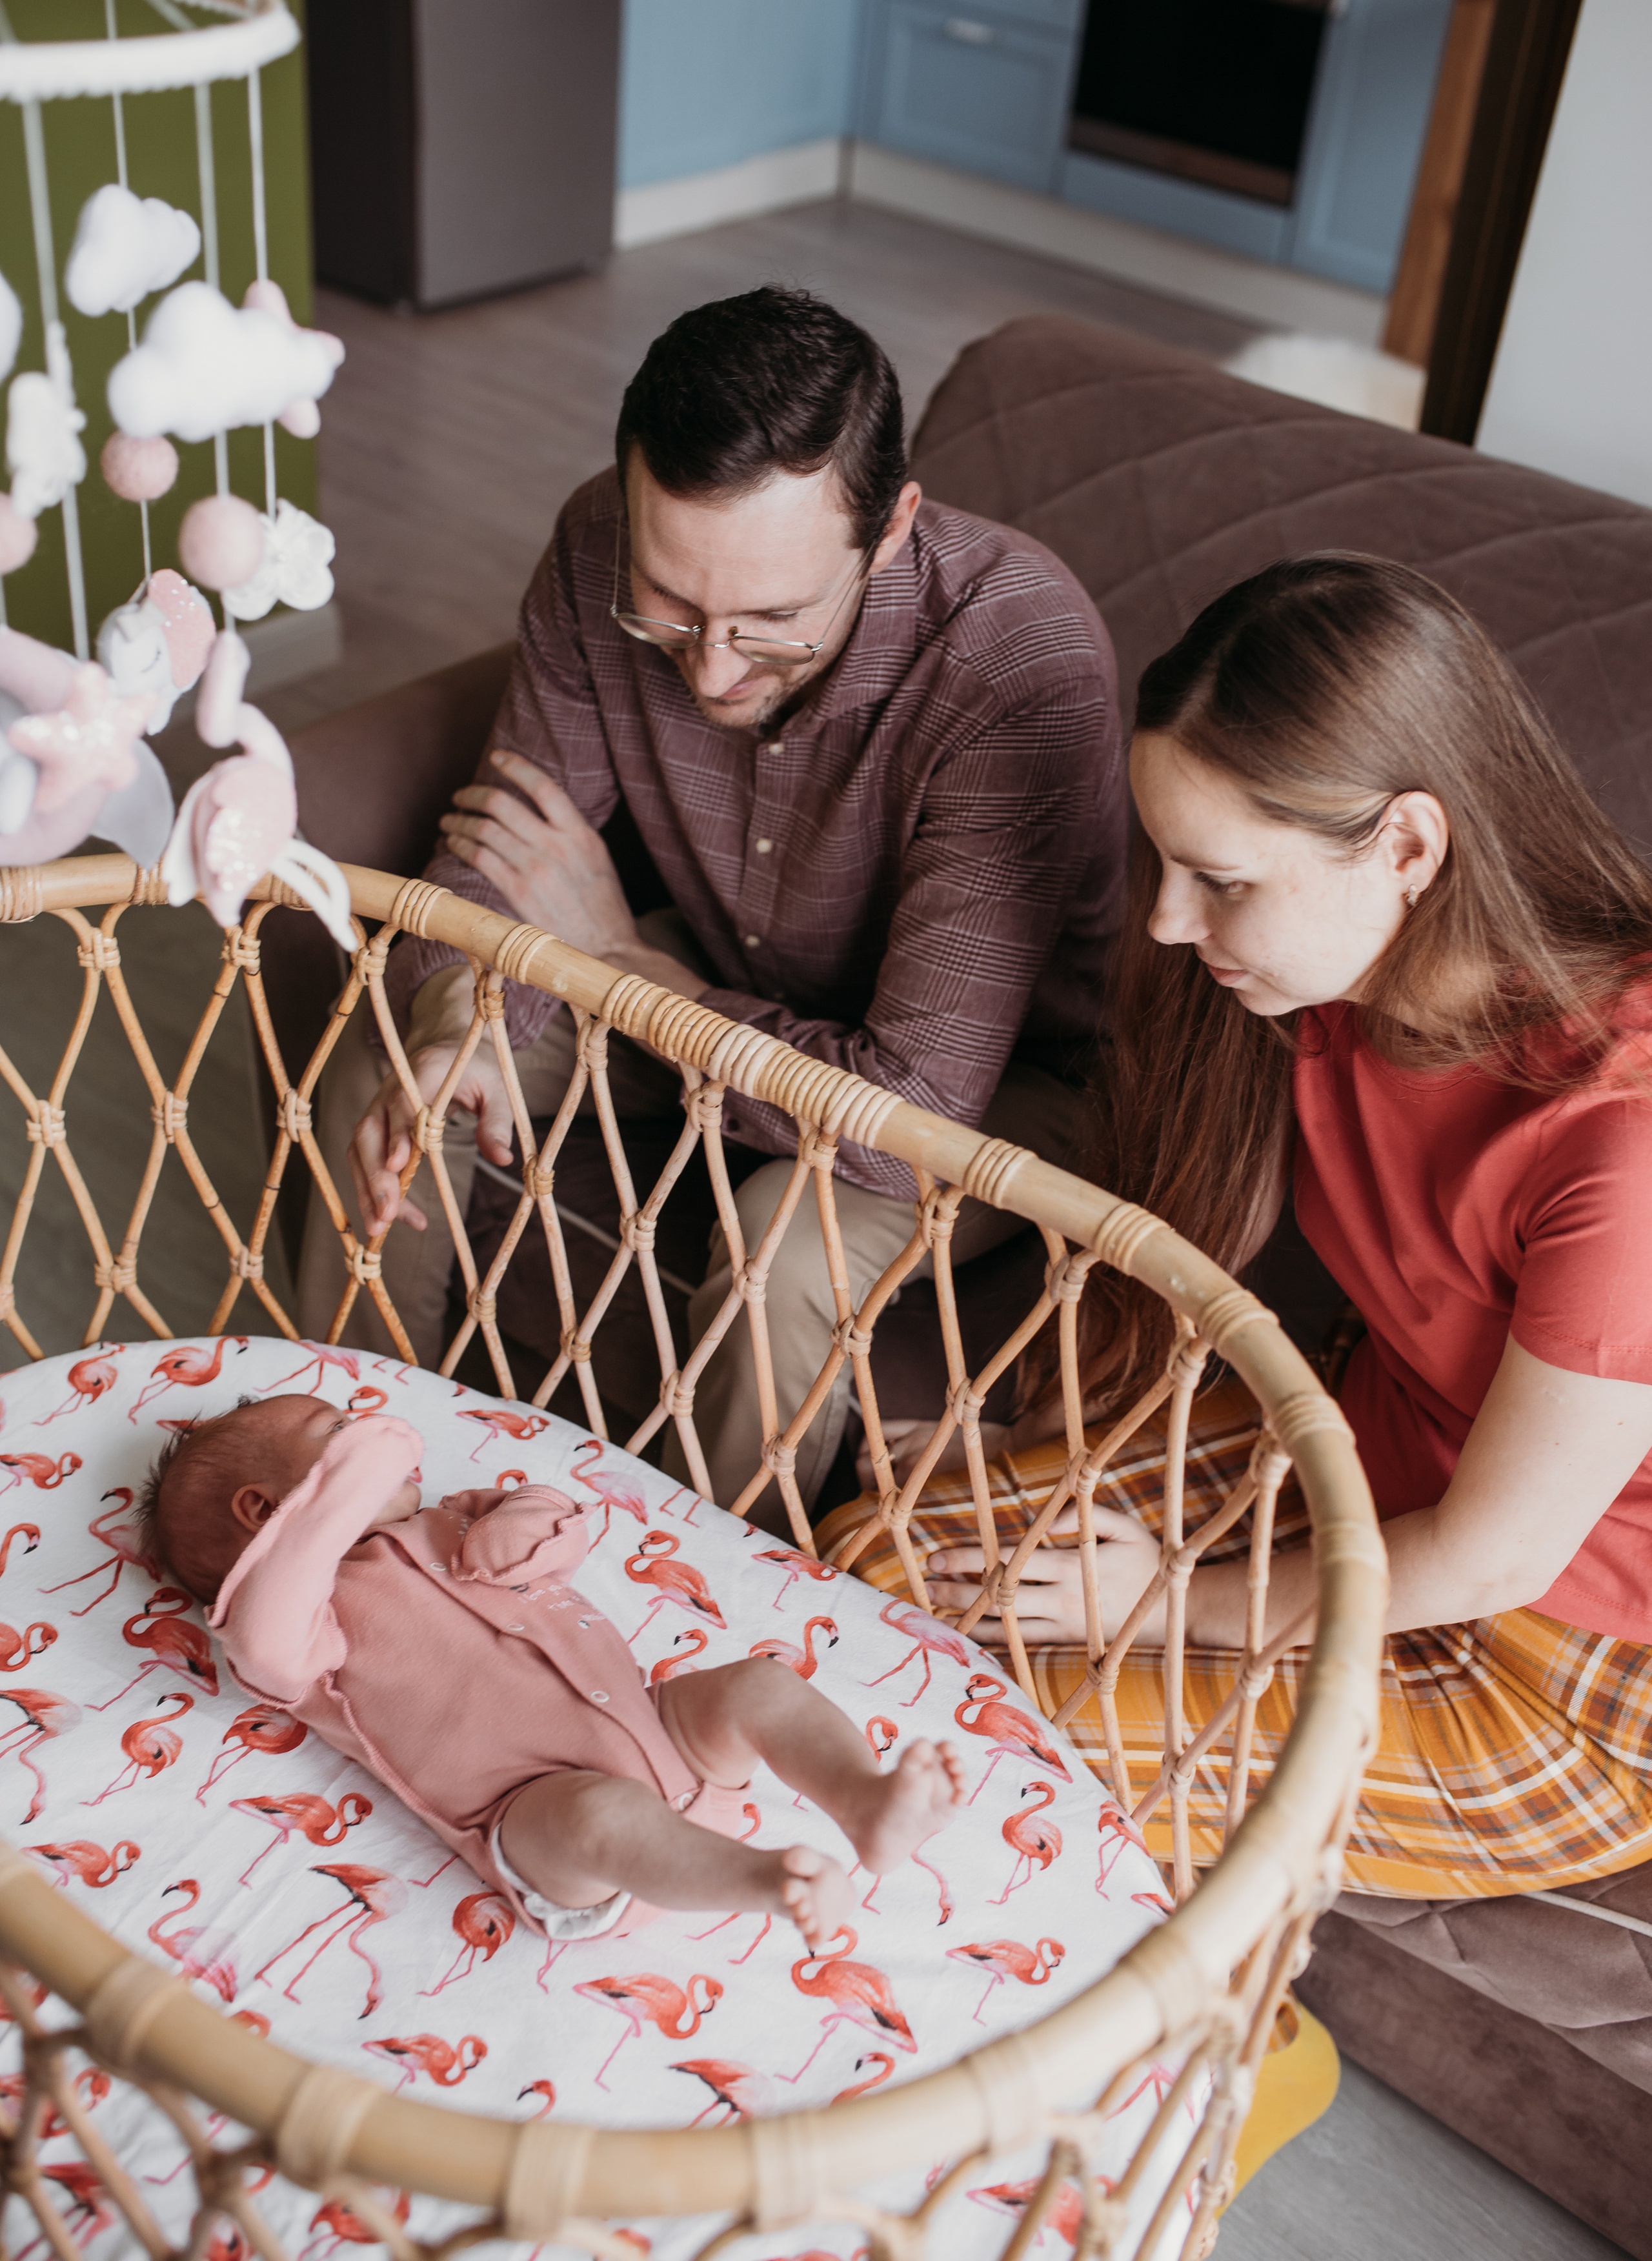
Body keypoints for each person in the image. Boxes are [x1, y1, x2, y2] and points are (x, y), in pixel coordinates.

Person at [824, 553, 1652, 1898]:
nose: (1165, 920)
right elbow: (1173, 1239)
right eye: (1164, 862)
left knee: (986, 1756)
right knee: (879, 1563)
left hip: (1560, 1648)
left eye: (1218, 878)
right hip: (1356, 1468)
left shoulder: (1621, 1142)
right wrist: (1045, 1446)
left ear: (1406, 848)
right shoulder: (1322, 984)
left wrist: (1164, 1604)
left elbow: (1491, 1554)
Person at [299, 288, 1125, 1531]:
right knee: (406, 1060)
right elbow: (498, 856)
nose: (714, 667)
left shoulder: (1018, 659)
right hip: (729, 979)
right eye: (671, 609)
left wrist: (630, 968)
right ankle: (338, 1490)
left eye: (774, 623)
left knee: (782, 1250)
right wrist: (460, 1032)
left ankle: (704, 1599)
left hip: (995, 1084)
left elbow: (900, 1116)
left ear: (893, 528)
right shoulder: (599, 540)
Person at [137, 1395, 965, 1947]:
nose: (373, 1430)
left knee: (759, 1686)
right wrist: (341, 1492)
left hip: (656, 1724)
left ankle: (863, 1799)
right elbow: (266, 1646)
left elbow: (557, 1519)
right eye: (338, 1435)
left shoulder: (447, 1519)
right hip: (536, 1814)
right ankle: (763, 1879)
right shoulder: (305, 1621)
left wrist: (519, 1525)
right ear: (268, 1510)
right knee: (600, 1813)